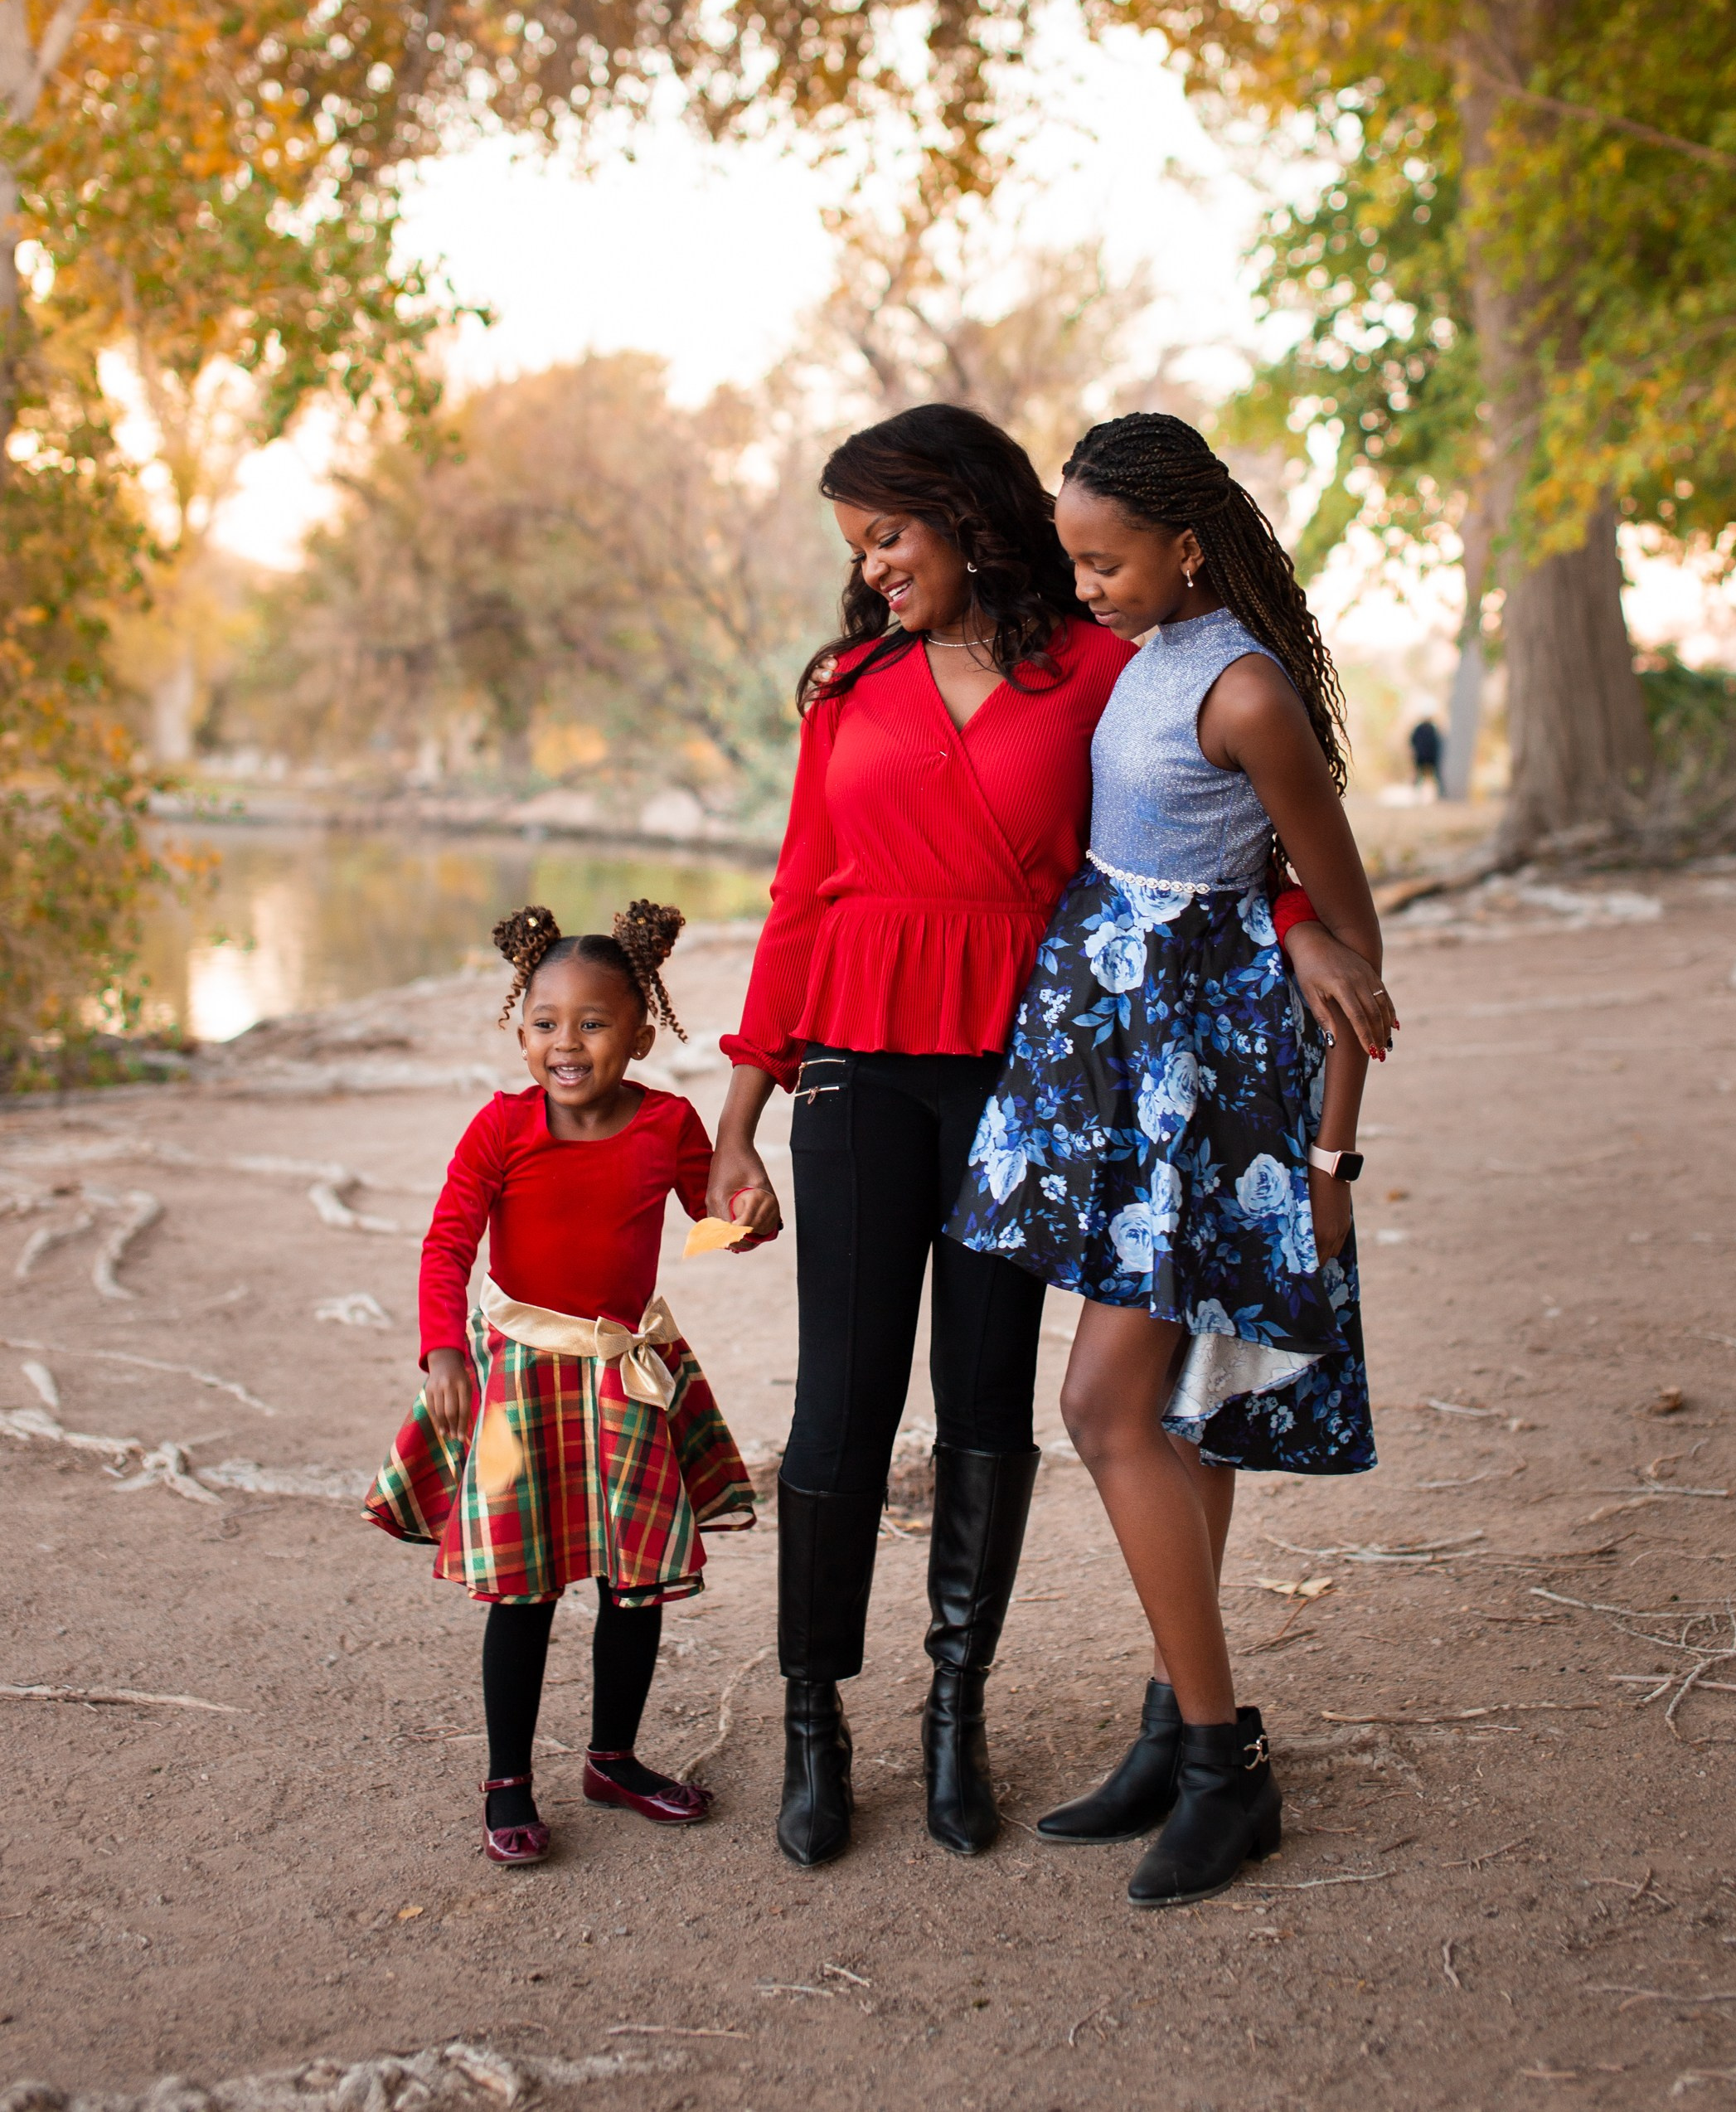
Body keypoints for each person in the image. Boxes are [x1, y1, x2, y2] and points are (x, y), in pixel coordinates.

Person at [708, 401, 1390, 1872]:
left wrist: (1296, 929)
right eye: (859, 546)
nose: (876, 565)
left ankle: (960, 1722)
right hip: (864, 1068)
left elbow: (1208, 833)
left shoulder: (1099, 666)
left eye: (890, 532)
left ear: (963, 513)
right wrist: (741, 1110)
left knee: (990, 1408)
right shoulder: (850, 681)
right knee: (839, 1411)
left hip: (1034, 1081)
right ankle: (819, 1726)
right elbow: (798, 895)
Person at [948, 413, 1385, 1910]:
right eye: (1075, 561)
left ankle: (1222, 1764)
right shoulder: (1146, 653)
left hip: (1208, 1100)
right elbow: (1255, 886)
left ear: (1186, 544)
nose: (1087, 590)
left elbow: (1355, 940)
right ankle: (1172, 1718)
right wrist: (1281, 915)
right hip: (1126, 1075)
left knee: (1105, 1402)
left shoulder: (1250, 691)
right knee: (1181, 1417)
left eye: (1107, 560)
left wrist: (1331, 1160)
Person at [365, 901, 772, 1867]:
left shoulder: (667, 1124)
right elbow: (447, 1245)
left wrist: (748, 1218)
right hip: (518, 1386)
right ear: (520, 1030)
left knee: (634, 1585)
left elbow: (710, 1216)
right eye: (546, 1023)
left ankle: (613, 1760)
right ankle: (507, 1779)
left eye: (593, 1023)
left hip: (626, 1382)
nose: (567, 1042)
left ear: (639, 1030)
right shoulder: (501, 1130)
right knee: (525, 1588)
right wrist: (443, 1353)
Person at [1409, 716, 1444, 794]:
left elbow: (1413, 741)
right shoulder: (1429, 730)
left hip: (1427, 756)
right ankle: (1415, 792)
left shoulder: (1429, 730)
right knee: (1420, 775)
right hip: (1426, 756)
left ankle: (1441, 793)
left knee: (1434, 775)